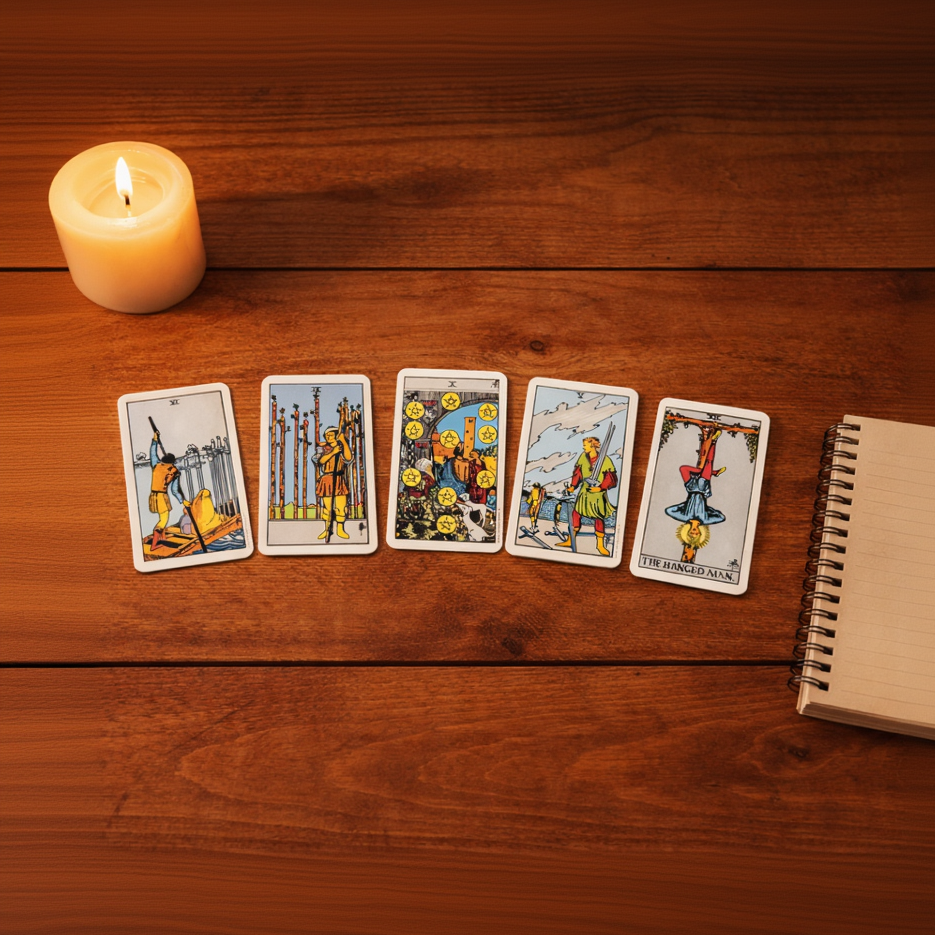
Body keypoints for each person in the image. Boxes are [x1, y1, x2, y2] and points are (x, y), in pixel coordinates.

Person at [556, 435, 617, 556]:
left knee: (598, 517)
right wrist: (573, 486)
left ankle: (600, 545)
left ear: (593, 445)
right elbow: (578, 474)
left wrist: (600, 487)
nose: (584, 447)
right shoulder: (583, 457)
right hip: (584, 491)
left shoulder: (605, 460)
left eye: (585, 444)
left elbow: (611, 478)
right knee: (576, 513)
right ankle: (570, 539)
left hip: (597, 493)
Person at [149, 431, 189, 549]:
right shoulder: (174, 471)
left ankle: (163, 537)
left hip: (153, 496)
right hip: (161, 496)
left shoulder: (156, 465)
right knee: (163, 519)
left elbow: (152, 452)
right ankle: (154, 545)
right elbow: (175, 491)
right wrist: (183, 502)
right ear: (172, 461)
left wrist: (155, 439)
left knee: (163, 517)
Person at [315, 425, 352, 539]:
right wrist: (332, 452)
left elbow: (348, 458)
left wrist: (343, 443)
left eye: (331, 435)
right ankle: (327, 530)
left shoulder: (342, 447)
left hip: (339, 479)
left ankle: (340, 529)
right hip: (327, 479)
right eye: (327, 435)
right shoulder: (323, 448)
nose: (329, 437)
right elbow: (320, 461)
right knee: (328, 507)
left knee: (341, 506)